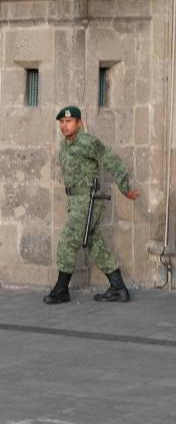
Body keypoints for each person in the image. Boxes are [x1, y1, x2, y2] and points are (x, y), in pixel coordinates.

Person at [44, 106, 140, 304]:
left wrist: (125, 188)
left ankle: (61, 290)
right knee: (94, 243)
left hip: (87, 202)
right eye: (62, 122)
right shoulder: (65, 145)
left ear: (79, 123)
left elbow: (111, 159)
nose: (64, 125)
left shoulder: (88, 142)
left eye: (69, 121)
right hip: (75, 202)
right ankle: (118, 288)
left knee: (67, 241)